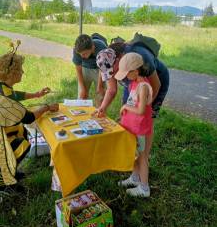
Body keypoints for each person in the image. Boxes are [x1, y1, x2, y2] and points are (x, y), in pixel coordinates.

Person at [0, 42, 59, 195]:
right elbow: (29, 117)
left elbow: (14, 95)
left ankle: (7, 171)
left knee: (20, 131)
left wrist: (36, 95)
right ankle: (0, 185)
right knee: (21, 146)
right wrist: (47, 107)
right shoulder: (4, 101)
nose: (23, 72)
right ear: (12, 74)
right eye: (20, 70)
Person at [95, 40, 169, 118]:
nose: (112, 74)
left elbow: (156, 85)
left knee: (145, 116)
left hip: (157, 80)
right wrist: (102, 107)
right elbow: (111, 89)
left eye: (111, 71)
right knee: (127, 113)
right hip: (134, 81)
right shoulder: (108, 61)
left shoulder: (141, 57)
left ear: (117, 60)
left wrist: (144, 107)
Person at [115, 53, 153, 197]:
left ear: (136, 71)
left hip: (140, 129)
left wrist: (126, 107)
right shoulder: (134, 82)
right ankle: (135, 177)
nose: (124, 76)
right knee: (134, 153)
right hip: (132, 127)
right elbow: (134, 103)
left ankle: (144, 188)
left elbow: (141, 110)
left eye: (126, 73)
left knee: (142, 157)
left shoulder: (142, 86)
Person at [72, 34, 107, 106]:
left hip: (100, 70)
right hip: (85, 69)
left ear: (92, 47)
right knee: (82, 96)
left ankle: (99, 113)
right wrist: (82, 88)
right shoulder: (77, 50)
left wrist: (100, 86)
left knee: (100, 95)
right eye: (80, 54)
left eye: (84, 54)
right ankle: (81, 115)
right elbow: (78, 70)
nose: (82, 56)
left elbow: (102, 68)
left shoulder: (101, 47)